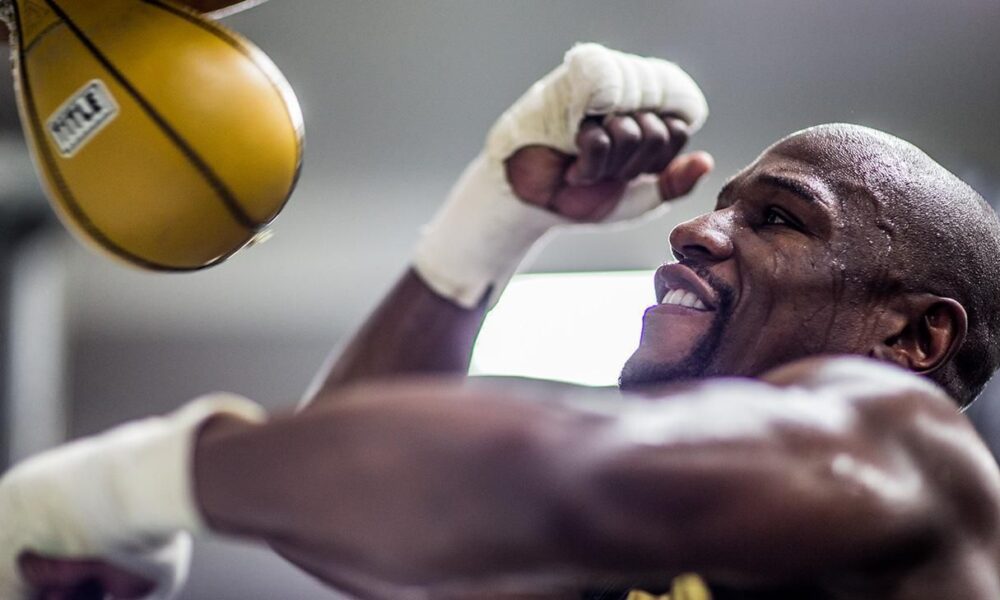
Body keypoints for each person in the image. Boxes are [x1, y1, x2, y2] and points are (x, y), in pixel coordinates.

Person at [3, 42, 1000, 600]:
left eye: (776, 218)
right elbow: (360, 525)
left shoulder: (905, 443)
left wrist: (113, 488)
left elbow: (531, 478)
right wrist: (490, 222)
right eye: (717, 201)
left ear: (911, 340)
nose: (693, 230)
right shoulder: (668, 558)